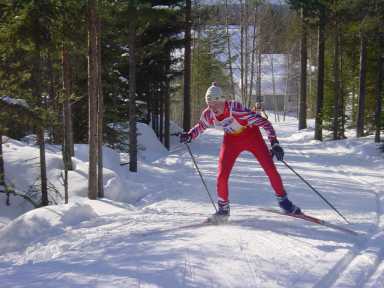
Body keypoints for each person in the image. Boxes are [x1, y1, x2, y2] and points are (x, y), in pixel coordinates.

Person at [180, 82, 301, 223]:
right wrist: (189, 135)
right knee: (221, 174)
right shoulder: (208, 114)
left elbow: (264, 123)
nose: (213, 108)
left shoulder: (236, 109)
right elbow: (200, 126)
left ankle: (284, 202)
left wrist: (274, 143)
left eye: (215, 104)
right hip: (231, 141)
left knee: (270, 168)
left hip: (251, 136)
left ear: (222, 101)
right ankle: (223, 210)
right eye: (210, 105)